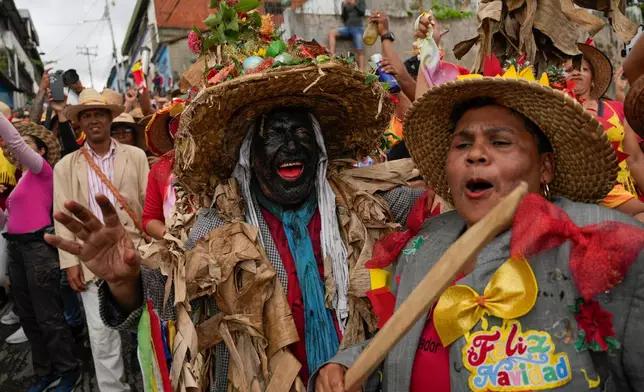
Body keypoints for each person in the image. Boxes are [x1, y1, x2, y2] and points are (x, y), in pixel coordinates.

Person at [44, 10, 426, 389]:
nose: (290, 145)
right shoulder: (213, 231)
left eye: (300, 132)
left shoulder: (374, 204)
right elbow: (165, 300)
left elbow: (442, 212)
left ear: (321, 146)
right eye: (273, 134)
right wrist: (123, 281)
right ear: (249, 155)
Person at [313, 65, 644, 392]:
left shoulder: (605, 245)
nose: (476, 154)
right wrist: (346, 366)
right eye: (462, 144)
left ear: (545, 167)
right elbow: (396, 343)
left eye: (500, 142)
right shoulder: (425, 242)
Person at [54, 88, 149, 392]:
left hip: (136, 254)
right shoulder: (66, 166)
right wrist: (70, 263)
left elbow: (148, 205)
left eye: (99, 114)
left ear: (110, 118)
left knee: (148, 329)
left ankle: (153, 384)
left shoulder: (135, 156)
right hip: (92, 259)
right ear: (79, 123)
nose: (93, 120)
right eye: (86, 115)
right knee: (101, 335)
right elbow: (62, 216)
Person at [0, 117, 81, 392]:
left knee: (48, 316)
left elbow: (14, 142)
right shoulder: (20, 182)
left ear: (42, 151)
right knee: (28, 317)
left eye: (28, 145)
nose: (19, 150)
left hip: (38, 249)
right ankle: (45, 372)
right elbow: (6, 223)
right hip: (16, 249)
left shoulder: (42, 170)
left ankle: (69, 370)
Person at [564, 41, 644, 220]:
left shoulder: (618, 109)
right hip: (587, 192)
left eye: (583, 69)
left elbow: (635, 159)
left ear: (592, 79)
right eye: (570, 70)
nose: (576, 72)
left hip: (628, 192)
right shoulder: (556, 110)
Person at [141, 101, 184, 240]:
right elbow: (150, 219)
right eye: (176, 125)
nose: (184, 132)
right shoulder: (160, 169)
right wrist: (171, 236)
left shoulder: (218, 162)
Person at [328, 0, 366, 70]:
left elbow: (362, 13)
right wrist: (345, 6)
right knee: (331, 33)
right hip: (347, 28)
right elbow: (344, 17)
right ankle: (331, 59)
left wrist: (354, 4)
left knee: (360, 51)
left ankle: (362, 71)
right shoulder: (344, 3)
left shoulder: (360, 1)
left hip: (357, 28)